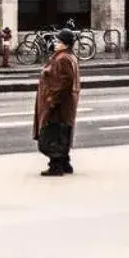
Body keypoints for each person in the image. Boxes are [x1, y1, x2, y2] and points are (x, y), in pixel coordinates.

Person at [35, 27, 81, 176]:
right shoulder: (69, 57)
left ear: (66, 44)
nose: (55, 43)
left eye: (59, 41)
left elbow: (63, 83)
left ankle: (56, 166)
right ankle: (64, 162)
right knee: (62, 132)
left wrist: (51, 101)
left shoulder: (62, 59)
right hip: (66, 105)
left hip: (58, 104)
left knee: (52, 134)